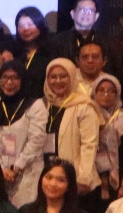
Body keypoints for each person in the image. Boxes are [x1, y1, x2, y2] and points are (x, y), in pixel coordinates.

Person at [0, 63, 48, 207]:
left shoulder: (35, 105)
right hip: (1, 172)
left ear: (23, 79)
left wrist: (16, 168)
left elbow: (36, 140)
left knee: (25, 212)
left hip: (28, 171)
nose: (9, 82)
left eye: (15, 77)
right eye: (5, 77)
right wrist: (1, 168)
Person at [42, 58, 101, 197]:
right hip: (49, 177)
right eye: (53, 77)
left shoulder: (84, 106)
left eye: (63, 76)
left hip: (76, 180)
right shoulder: (43, 104)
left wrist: (83, 178)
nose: (57, 81)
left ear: (72, 77)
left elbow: (90, 144)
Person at [87, 73, 123, 213]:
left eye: (111, 91)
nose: (106, 94)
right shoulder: (86, 116)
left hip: (117, 180)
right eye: (101, 90)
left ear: (118, 93)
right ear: (94, 92)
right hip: (91, 178)